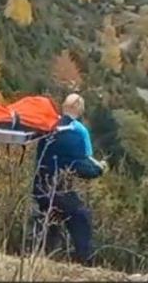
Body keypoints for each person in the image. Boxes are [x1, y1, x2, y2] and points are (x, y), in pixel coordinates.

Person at [31, 93, 106, 265]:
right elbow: (83, 167)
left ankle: (42, 260)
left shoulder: (50, 127)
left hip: (40, 187)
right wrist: (100, 169)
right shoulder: (75, 133)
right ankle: (85, 262)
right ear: (79, 109)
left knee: (51, 222)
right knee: (81, 217)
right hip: (58, 189)